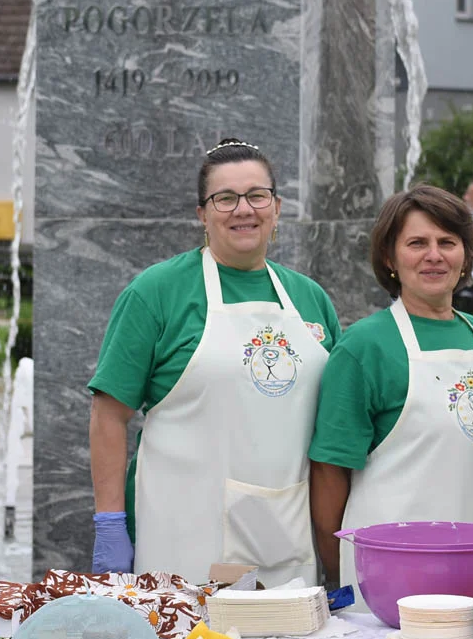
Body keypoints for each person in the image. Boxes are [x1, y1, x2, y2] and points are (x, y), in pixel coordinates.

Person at [87, 138, 341, 586]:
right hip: (181, 529)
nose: (244, 209)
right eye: (225, 198)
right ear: (202, 214)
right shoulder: (156, 292)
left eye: (256, 196)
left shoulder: (310, 299)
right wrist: (109, 522)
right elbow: (109, 413)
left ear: (277, 207)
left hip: (285, 531)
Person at [308, 184, 473, 601]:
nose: (434, 255)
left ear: (466, 255)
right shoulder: (364, 347)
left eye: (447, 242)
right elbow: (329, 473)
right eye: (417, 243)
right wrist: (342, 572)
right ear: (390, 257)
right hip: (389, 581)